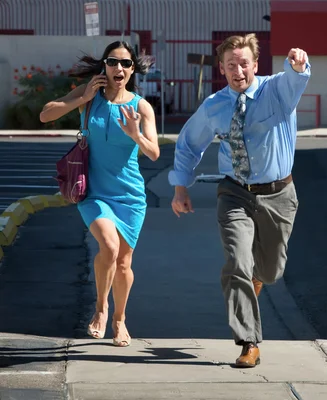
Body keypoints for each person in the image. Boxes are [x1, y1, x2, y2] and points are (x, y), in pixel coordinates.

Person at [169, 33, 310, 367]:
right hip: (234, 193)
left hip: (278, 195)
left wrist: (299, 65)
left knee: (271, 271)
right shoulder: (215, 105)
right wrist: (180, 187)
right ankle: (249, 342)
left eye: (243, 63)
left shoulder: (277, 90)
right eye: (230, 65)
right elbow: (189, 143)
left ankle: (257, 277)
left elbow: (296, 78)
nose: (238, 70)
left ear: (255, 64)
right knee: (236, 264)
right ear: (222, 68)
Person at [40, 41, 160, 347]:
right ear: (104, 66)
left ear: (133, 70)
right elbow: (45, 115)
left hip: (130, 196)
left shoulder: (141, 106)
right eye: (113, 62)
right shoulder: (88, 98)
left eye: (126, 63)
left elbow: (154, 153)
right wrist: (82, 97)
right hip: (93, 192)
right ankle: (100, 307)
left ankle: (120, 319)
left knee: (123, 263)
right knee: (108, 245)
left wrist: (136, 135)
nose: (119, 68)